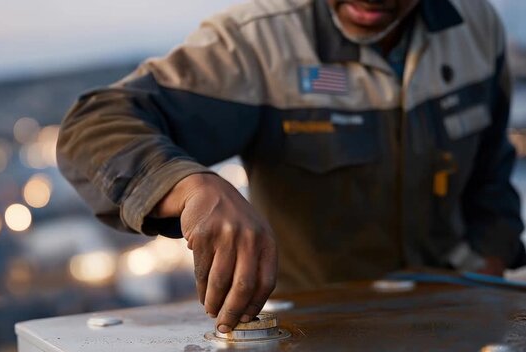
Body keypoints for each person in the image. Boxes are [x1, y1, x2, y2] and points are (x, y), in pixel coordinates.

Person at [57, 0, 526, 334]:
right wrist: (187, 184)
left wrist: (490, 261)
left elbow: (491, 169)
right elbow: (93, 124)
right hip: (318, 332)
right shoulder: (258, 43)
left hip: (456, 320)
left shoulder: (475, 25)